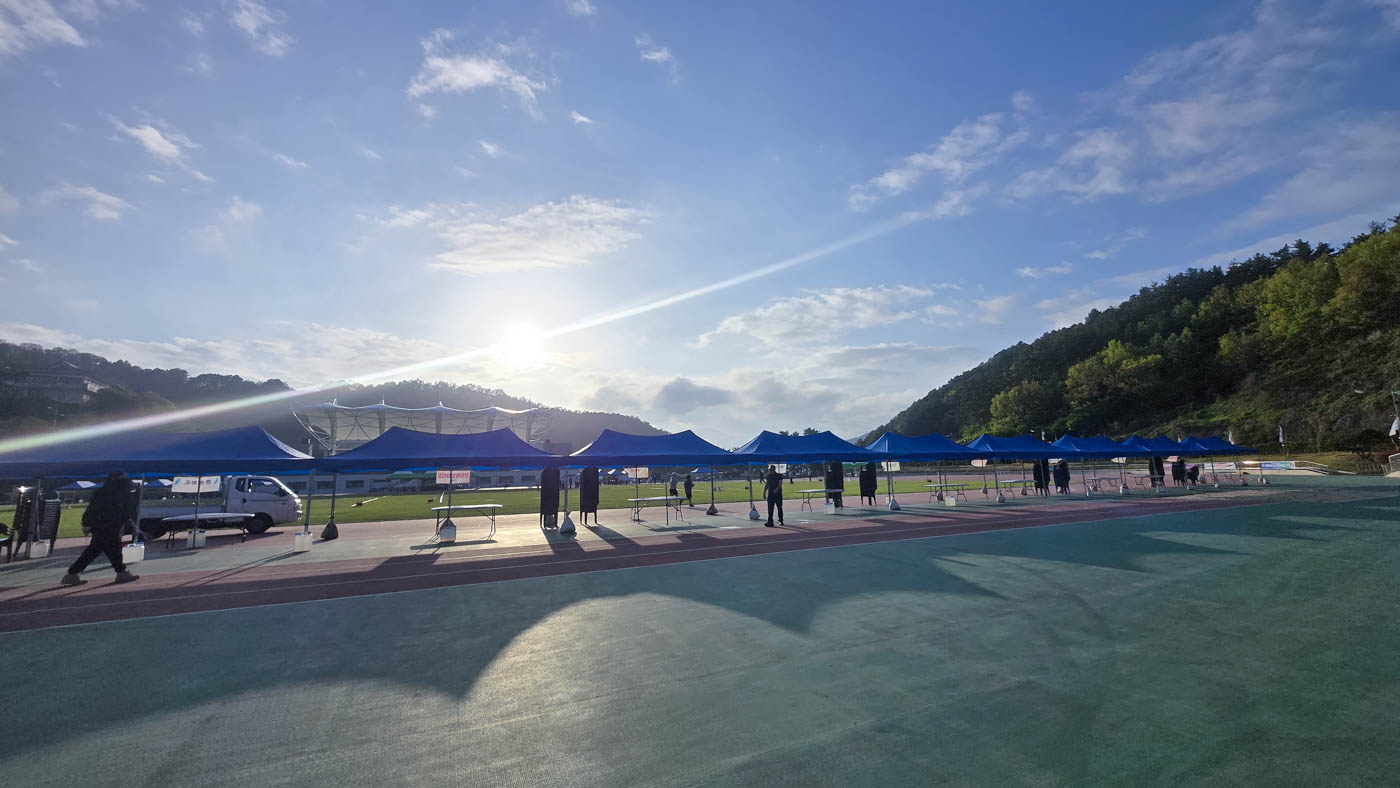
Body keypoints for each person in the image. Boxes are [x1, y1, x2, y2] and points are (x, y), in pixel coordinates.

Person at [61, 470, 140, 586]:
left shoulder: (103, 493)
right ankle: (121, 572)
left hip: (102, 526)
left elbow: (91, 510)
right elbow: (121, 511)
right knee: (110, 550)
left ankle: (72, 574)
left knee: (97, 550)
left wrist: (86, 524)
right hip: (109, 526)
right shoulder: (120, 494)